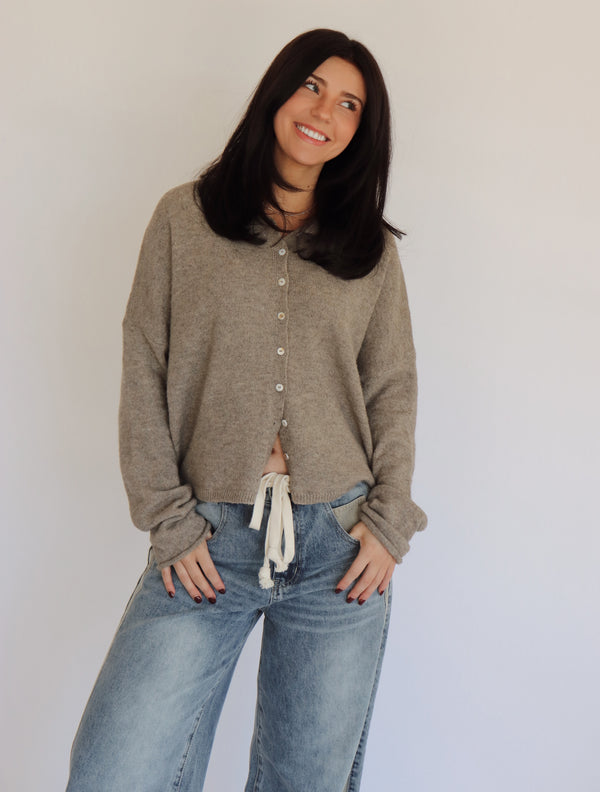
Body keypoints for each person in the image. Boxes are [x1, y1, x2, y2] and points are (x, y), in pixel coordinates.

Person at [66, 28, 427, 792]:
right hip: (207, 544)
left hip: (340, 549)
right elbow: (144, 369)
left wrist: (389, 523)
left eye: (350, 104)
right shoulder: (182, 221)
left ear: (362, 131)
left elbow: (391, 386)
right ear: (278, 91)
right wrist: (169, 522)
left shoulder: (370, 252)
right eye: (312, 86)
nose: (324, 111)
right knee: (114, 772)